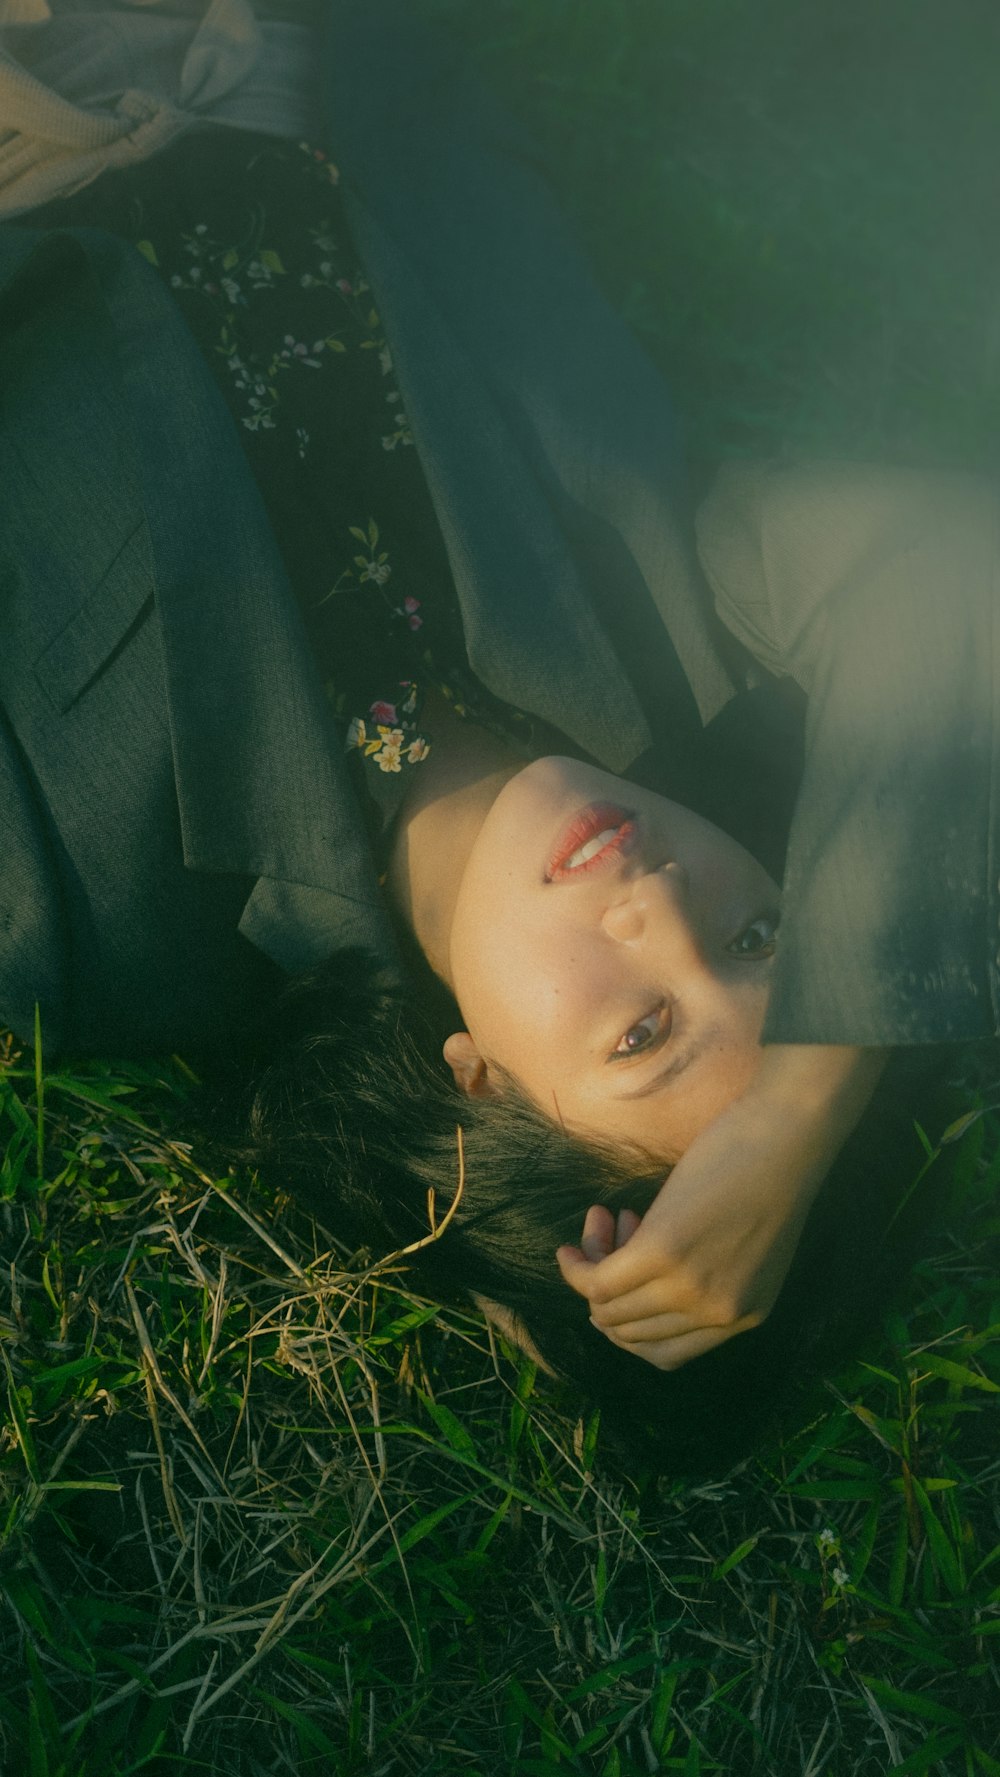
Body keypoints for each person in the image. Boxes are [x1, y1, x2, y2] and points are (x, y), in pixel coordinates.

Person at [0, 0, 994, 1461]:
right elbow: (953, 577)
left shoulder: (96, 899)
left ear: (477, 1085)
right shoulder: (681, 606)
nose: (661, 901)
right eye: (762, 934)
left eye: (644, 1028)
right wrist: (796, 1114)